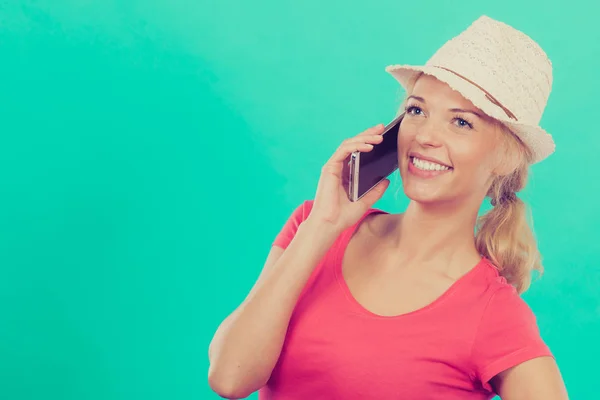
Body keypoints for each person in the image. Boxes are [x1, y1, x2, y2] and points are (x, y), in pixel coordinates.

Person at [207, 15, 569, 400]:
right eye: (417, 110)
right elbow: (230, 378)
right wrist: (324, 225)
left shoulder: (493, 313)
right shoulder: (311, 226)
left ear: (504, 160)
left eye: (461, 122)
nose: (426, 136)